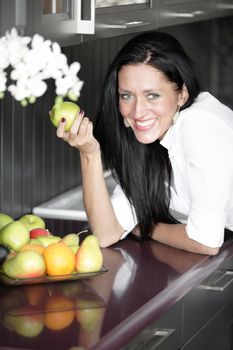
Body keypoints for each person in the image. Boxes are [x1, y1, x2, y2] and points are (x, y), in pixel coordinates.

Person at [56, 30, 233, 255]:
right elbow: (106, 233)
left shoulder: (199, 125)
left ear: (182, 95)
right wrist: (89, 152)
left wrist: (147, 228)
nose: (138, 111)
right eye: (127, 95)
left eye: (152, 95)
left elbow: (205, 242)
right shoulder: (144, 143)